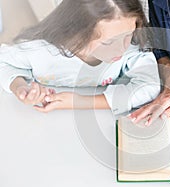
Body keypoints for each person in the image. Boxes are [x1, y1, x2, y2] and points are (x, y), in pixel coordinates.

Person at [0, 0, 160, 115]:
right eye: (108, 42)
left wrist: (80, 102)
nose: (121, 48)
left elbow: (148, 87)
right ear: (77, 33)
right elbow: (3, 61)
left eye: (127, 35)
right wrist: (20, 87)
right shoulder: (39, 50)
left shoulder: (132, 50)